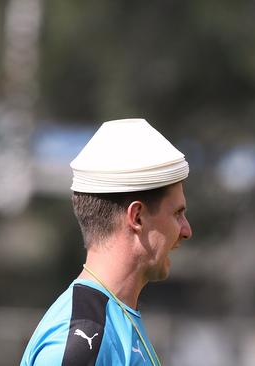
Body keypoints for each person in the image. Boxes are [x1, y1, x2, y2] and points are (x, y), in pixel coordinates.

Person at [21, 118, 192, 365]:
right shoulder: (82, 340)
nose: (186, 230)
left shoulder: (115, 318)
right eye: (177, 213)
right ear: (137, 217)